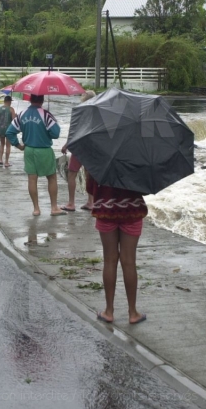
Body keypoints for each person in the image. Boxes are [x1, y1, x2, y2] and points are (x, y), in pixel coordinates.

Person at [87, 173, 148, 325]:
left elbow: (90, 187)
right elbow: (145, 188)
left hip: (105, 211)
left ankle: (109, 311)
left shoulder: (98, 163)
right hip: (132, 211)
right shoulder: (136, 162)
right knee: (129, 261)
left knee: (109, 260)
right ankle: (133, 312)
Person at [5, 94, 65, 217]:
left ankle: (36, 209)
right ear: (42, 100)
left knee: (32, 179)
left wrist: (18, 145)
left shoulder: (22, 114)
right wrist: (53, 122)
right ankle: (54, 207)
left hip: (28, 150)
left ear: (30, 99)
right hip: (44, 151)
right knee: (52, 178)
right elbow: (56, 134)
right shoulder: (46, 115)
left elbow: (9, 132)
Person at [60, 90, 96, 211]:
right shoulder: (97, 111)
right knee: (89, 174)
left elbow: (73, 130)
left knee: (72, 173)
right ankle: (91, 202)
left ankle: (71, 203)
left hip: (79, 147)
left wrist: (66, 144)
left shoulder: (79, 111)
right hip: (92, 147)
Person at [0, 95, 17, 167]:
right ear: (9, 101)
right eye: (10, 102)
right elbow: (14, 121)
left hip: (1, 129)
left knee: (2, 144)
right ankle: (6, 162)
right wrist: (16, 116)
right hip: (9, 130)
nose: (11, 103)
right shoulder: (11, 109)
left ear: (4, 101)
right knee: (8, 146)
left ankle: (0, 159)